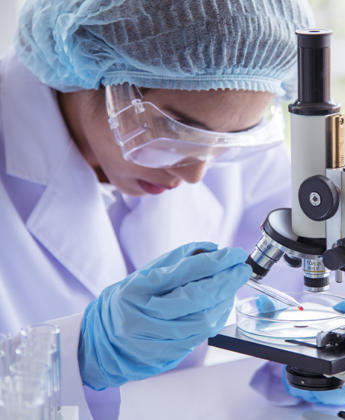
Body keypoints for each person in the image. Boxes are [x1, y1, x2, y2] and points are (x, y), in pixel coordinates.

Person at [0, 0, 315, 418]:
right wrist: (75, 354)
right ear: (86, 69)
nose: (197, 172)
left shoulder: (228, 127)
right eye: (174, 128)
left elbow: (312, 291)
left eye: (231, 138)